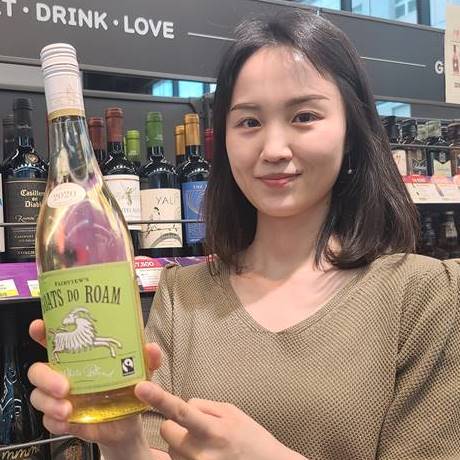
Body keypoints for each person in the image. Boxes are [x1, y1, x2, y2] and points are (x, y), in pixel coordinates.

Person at [28, 9, 460, 460]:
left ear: (351, 130)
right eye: (249, 122)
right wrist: (123, 442)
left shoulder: (425, 295)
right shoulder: (182, 297)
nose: (273, 149)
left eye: (304, 116)